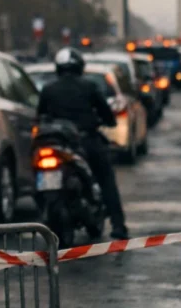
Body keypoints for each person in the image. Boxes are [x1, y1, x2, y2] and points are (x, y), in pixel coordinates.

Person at [36, 47, 129, 240]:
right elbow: (108, 116)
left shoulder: (48, 89)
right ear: (79, 67)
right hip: (85, 141)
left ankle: (44, 214)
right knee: (106, 179)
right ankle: (118, 225)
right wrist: (105, 121)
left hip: (55, 144)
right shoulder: (90, 86)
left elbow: (39, 116)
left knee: (37, 173)